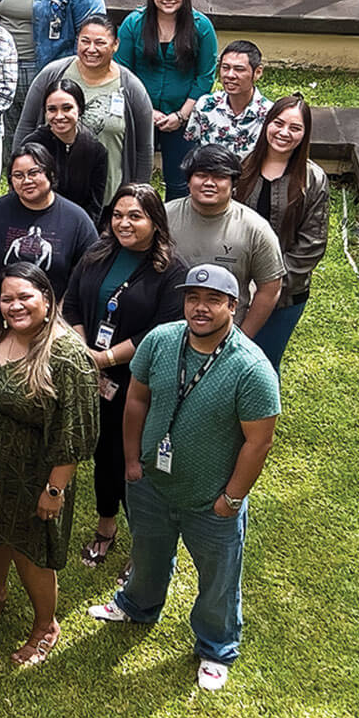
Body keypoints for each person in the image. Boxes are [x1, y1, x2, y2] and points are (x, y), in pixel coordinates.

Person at [87, 264, 280, 693]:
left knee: (218, 577)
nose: (201, 308)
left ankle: (215, 647)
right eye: (194, 298)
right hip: (152, 481)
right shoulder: (160, 340)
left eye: (213, 301)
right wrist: (132, 461)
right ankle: (137, 605)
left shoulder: (251, 368)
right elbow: (136, 398)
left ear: (233, 306)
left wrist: (229, 500)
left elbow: (258, 444)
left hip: (211, 497)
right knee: (148, 552)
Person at [0, 263, 98, 666]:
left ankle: (45, 626)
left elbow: (76, 433)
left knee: (30, 551)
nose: (14, 306)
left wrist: (55, 490)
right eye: (6, 298)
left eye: (24, 297)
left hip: (33, 475)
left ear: (47, 301)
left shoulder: (67, 357)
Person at [61, 184, 187, 569]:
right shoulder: (98, 253)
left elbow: (162, 328)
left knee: (137, 461)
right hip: (95, 375)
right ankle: (106, 527)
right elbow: (72, 303)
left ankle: (144, 544)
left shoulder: (171, 270)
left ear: (155, 221)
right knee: (105, 455)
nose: (124, 223)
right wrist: (86, 351)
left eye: (135, 216)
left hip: (141, 381)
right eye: (118, 215)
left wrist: (106, 357)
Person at [12, 14, 154, 209]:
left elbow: (143, 149)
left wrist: (137, 198)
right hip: (48, 196)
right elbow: (26, 126)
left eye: (100, 43)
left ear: (115, 45)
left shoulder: (131, 88)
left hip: (109, 198)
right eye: (85, 41)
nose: (91, 49)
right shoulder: (52, 75)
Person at [233, 96, 327, 370]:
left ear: (305, 134)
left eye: (295, 128)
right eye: (278, 123)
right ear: (267, 124)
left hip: (285, 295)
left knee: (262, 365)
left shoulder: (313, 179)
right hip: (235, 288)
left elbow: (312, 245)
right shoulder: (240, 167)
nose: (284, 133)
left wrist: (269, 286)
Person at [0, 143, 99, 321]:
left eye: (34, 173)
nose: (26, 181)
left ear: (50, 173)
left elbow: (85, 275)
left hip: (54, 323)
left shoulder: (77, 220)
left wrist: (56, 320)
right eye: (18, 175)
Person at [116, 0, 218, 200]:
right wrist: (147, 111)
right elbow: (122, 70)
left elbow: (205, 76)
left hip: (183, 117)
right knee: (133, 178)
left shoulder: (201, 27)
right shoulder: (134, 23)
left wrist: (181, 115)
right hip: (138, 112)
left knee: (181, 181)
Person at [165, 144, 285, 338]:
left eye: (219, 177)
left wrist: (242, 338)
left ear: (233, 183)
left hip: (225, 334)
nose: (209, 183)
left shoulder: (255, 229)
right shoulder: (163, 218)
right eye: (201, 175)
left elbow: (270, 289)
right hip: (168, 333)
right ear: (188, 180)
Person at [22, 78, 110, 221]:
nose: (59, 116)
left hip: (78, 227)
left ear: (80, 109)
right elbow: (21, 194)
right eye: (52, 109)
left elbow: (95, 205)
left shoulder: (95, 150)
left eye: (67, 108)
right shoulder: (32, 146)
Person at [173, 40, 272, 159]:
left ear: (257, 72)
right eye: (225, 68)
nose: (230, 75)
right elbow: (192, 148)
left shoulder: (270, 113)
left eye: (239, 69)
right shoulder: (205, 106)